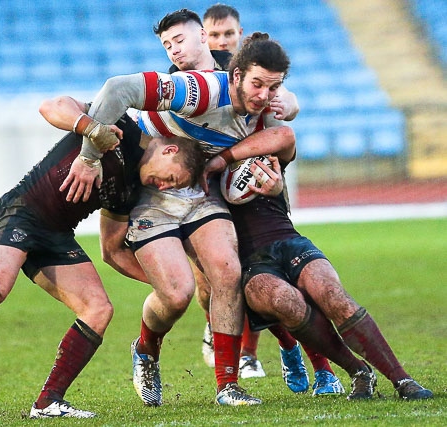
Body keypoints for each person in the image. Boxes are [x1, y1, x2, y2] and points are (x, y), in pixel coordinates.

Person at [0, 104, 205, 418]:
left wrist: (162, 283)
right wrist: (90, 127)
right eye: (171, 179)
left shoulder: (130, 190)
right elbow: (52, 105)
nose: (162, 186)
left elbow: (113, 250)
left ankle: (48, 402)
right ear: (170, 149)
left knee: (98, 309)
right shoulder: (119, 125)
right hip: (22, 213)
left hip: (56, 235)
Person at [60, 30, 297, 407]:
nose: (265, 96)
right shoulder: (200, 90)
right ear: (235, 76)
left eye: (273, 89)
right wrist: (88, 156)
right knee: (175, 295)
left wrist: (287, 104)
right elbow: (118, 88)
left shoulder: (264, 103)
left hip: (201, 193)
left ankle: (228, 385)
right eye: (258, 86)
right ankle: (146, 350)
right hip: (154, 193)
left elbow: (285, 129)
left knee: (226, 272)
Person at [161, 8, 342, 395]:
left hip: (258, 186)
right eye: (214, 35)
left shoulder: (246, 72)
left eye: (228, 34)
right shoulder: (178, 85)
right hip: (213, 196)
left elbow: (285, 103)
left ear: (238, 35)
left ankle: (317, 364)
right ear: (202, 37)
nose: (222, 42)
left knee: (280, 277)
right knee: (238, 282)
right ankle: (281, 346)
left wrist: (289, 106)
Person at [218, 145, 434, 401]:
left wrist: (225, 158)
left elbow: (286, 136)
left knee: (331, 293)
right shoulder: (197, 154)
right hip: (251, 261)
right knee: (283, 301)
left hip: (290, 240)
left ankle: (403, 379)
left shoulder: (260, 137)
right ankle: (358, 372)